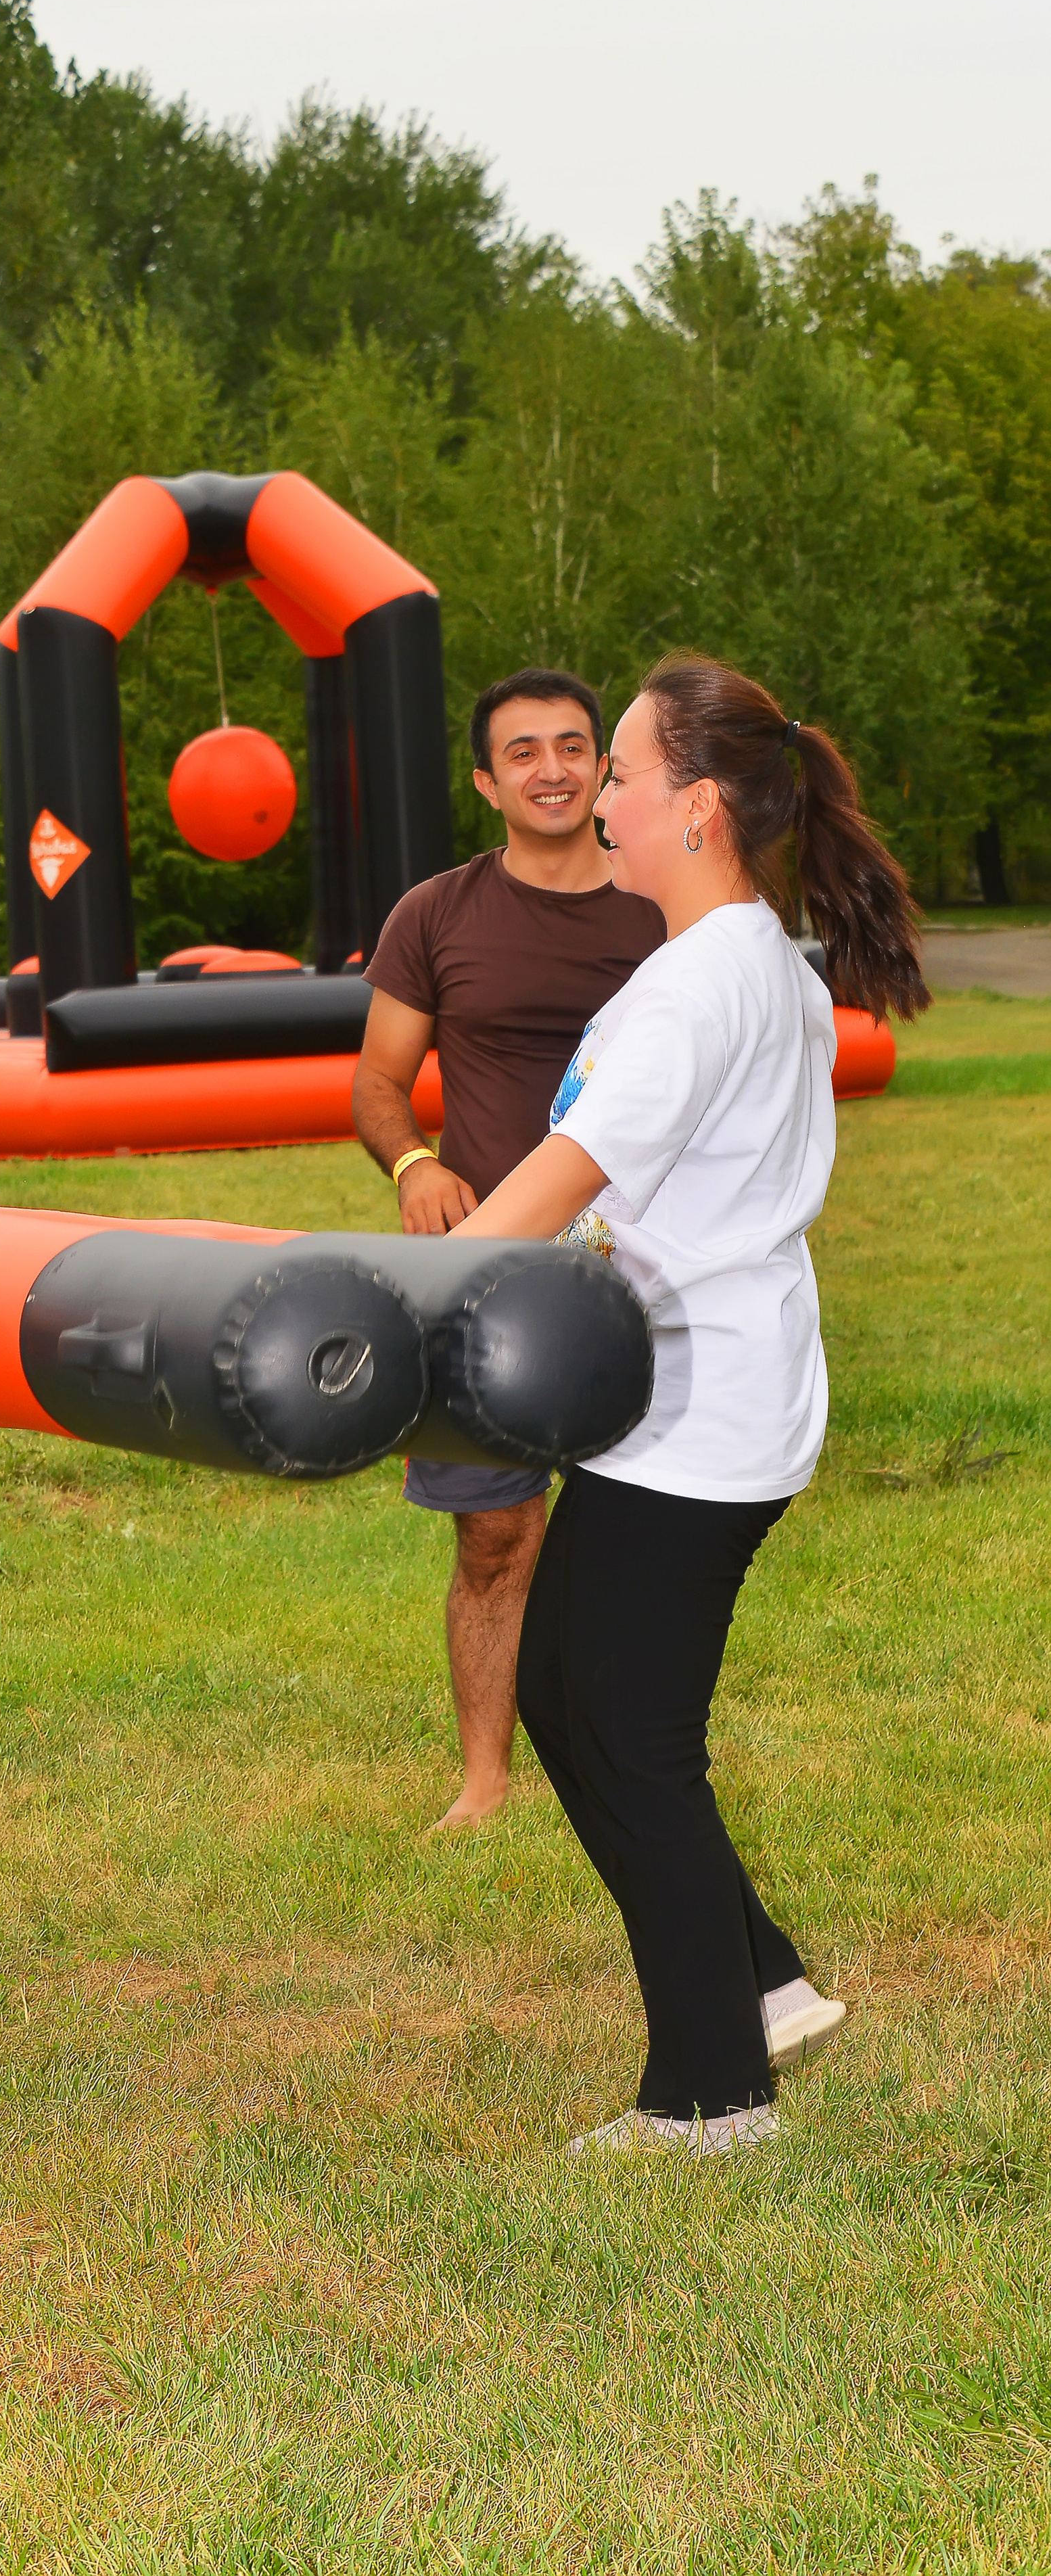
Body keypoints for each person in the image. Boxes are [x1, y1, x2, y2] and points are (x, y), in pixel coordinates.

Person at [456, 654, 926, 2152]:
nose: (599, 795)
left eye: (622, 773)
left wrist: (375, 1313)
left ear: (695, 807)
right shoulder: (735, 963)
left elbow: (537, 1203)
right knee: (556, 1691)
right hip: (673, 1399)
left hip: (701, 1414)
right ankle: (762, 1983)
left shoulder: (702, 986)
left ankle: (712, 2095)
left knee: (632, 1734)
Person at [353, 671, 665, 1829]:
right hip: (489, 1273)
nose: (552, 769)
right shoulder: (434, 914)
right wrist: (413, 1166)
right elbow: (380, 1081)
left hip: (647, 1269)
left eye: (575, 747)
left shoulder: (662, 907)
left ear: (605, 769)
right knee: (494, 1534)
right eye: (523, 752)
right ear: (486, 781)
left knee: (646, 1531)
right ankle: (485, 1781)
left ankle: (639, 1760)